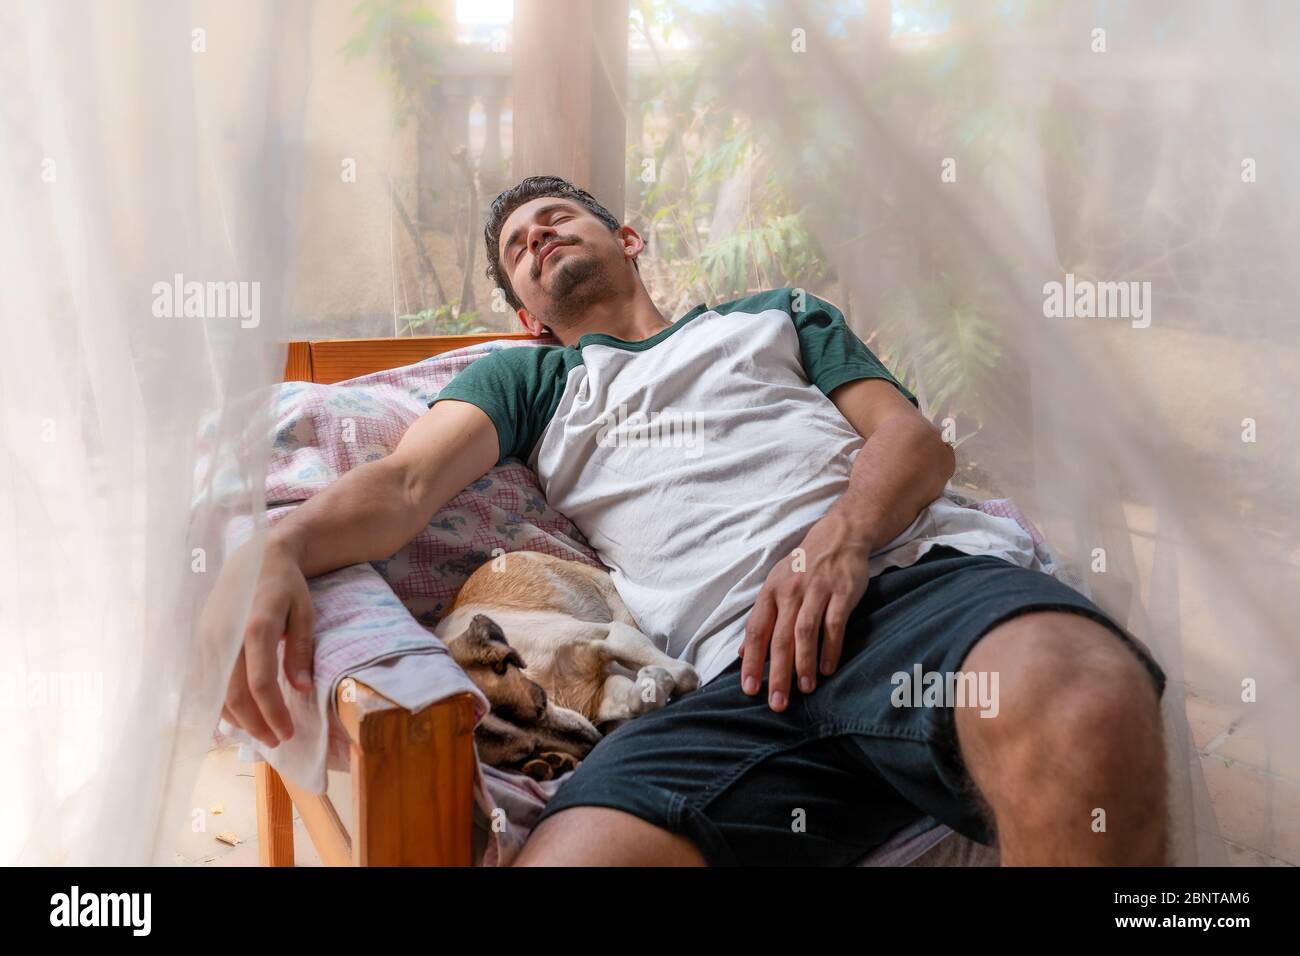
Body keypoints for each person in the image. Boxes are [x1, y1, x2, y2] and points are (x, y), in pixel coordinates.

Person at [219, 175, 1168, 866]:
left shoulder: (778, 318)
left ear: (628, 239)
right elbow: (401, 487)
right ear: (525, 320)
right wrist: (281, 547)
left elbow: (913, 444)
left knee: (1085, 693)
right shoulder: (533, 380)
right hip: (735, 675)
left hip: (909, 590)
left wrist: (838, 543)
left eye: (558, 218)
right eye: (518, 248)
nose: (539, 237)